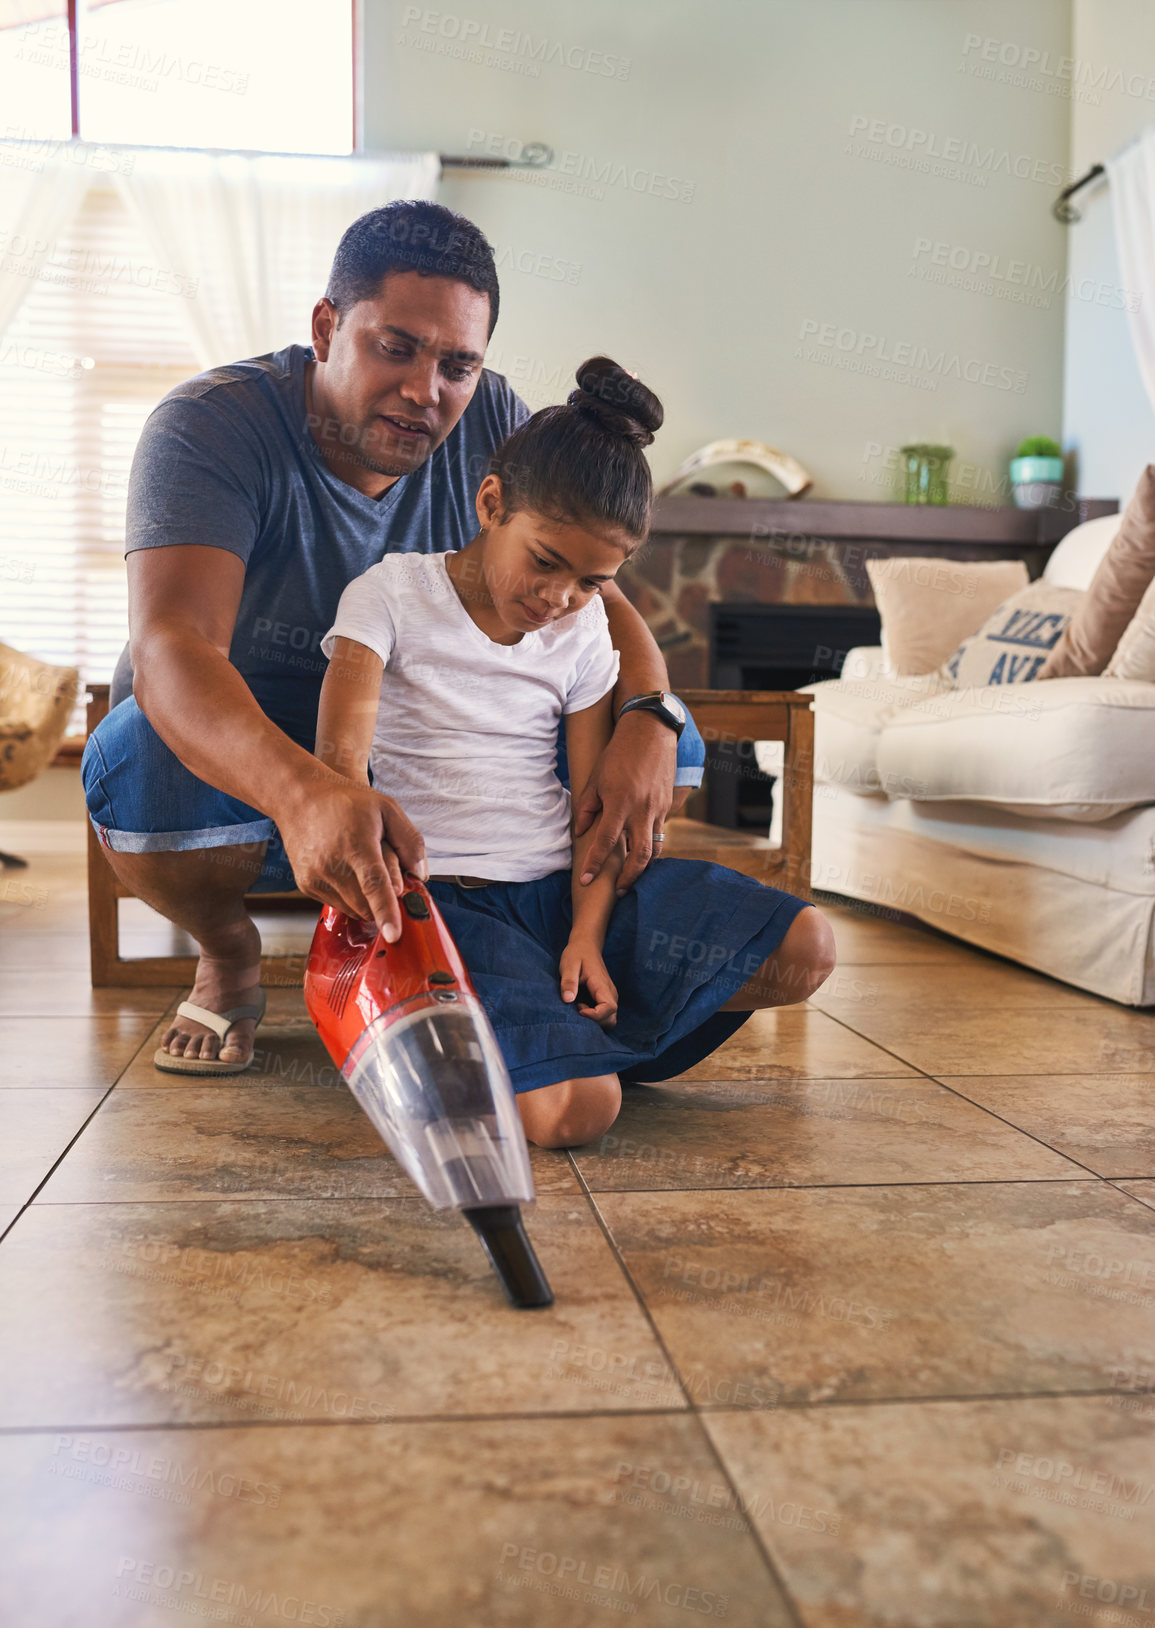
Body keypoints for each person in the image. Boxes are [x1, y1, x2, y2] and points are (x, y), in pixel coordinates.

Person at [81, 202, 704, 1073]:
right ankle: (227, 950)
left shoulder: (493, 421)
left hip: (419, 725)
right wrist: (307, 793)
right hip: (249, 731)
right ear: (327, 326)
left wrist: (653, 712)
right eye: (395, 346)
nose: (427, 391)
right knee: (141, 766)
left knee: (671, 748)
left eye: (458, 363)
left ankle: (529, 946)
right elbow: (172, 650)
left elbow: (595, 600)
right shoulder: (209, 424)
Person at [314, 358, 835, 1148]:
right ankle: (512, 1042)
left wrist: (587, 934)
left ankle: (547, 1039)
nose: (557, 597)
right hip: (446, 909)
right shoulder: (387, 596)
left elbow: (593, 812)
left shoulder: (582, 629)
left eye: (591, 581)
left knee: (806, 948)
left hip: (557, 896)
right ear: (492, 503)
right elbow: (339, 769)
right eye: (546, 561)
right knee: (580, 1112)